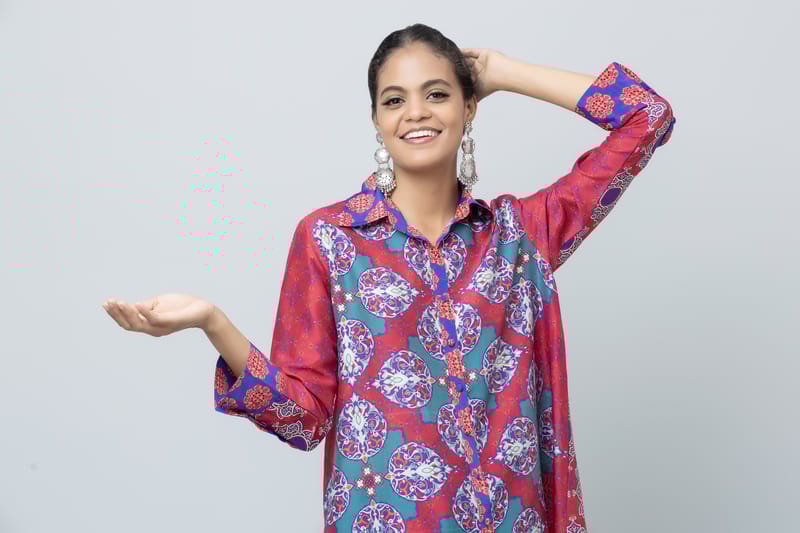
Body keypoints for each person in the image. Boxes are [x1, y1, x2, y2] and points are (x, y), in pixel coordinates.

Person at [103, 22, 675, 533]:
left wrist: (504, 72)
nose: (416, 113)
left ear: (469, 108)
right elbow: (304, 421)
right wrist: (213, 322)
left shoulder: (519, 236)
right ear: (377, 121)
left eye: (438, 94)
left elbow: (647, 117)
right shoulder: (329, 240)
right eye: (394, 100)